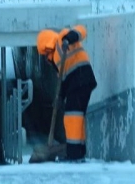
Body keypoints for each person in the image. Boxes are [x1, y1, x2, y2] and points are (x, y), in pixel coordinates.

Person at [36, 24, 97, 162]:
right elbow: (62, 81)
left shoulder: (61, 39)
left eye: (45, 52)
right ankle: (79, 151)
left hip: (81, 79)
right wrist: (60, 97)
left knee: (72, 117)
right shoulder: (56, 60)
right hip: (77, 83)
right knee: (77, 116)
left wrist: (69, 38)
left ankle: (74, 153)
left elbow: (82, 29)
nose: (45, 56)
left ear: (46, 44)